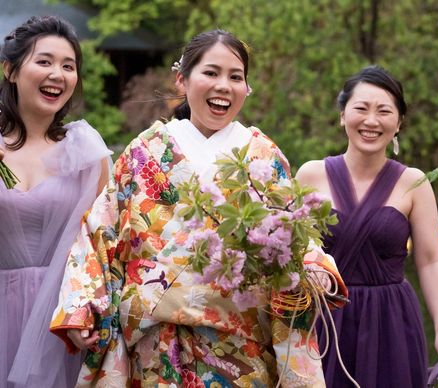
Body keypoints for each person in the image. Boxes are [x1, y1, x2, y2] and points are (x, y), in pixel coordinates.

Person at [50, 29, 345, 387]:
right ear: (182, 79)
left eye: (235, 77)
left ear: (247, 88)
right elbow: (100, 231)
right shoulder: (145, 151)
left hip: (242, 352)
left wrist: (314, 269)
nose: (224, 86)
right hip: (157, 349)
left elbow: (293, 233)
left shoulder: (263, 155)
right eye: (211, 72)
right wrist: (83, 305)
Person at [296, 65, 438, 387]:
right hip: (324, 318)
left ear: (398, 122)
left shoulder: (414, 182)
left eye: (384, 111)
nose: (371, 121)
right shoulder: (310, 175)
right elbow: (291, 252)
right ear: (343, 115)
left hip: (391, 320)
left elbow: (430, 260)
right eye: (361, 109)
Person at [0, 16, 111, 388]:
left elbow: (104, 244)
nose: (57, 75)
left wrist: (85, 310)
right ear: (10, 70)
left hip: (63, 322)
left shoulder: (86, 151)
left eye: (68, 66)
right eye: (44, 61)